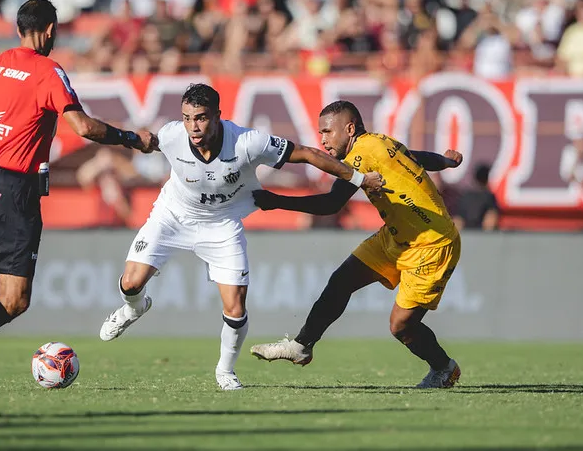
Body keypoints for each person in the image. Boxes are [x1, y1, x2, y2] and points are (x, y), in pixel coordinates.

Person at [0, 0, 157, 391]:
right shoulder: (48, 72)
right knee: (16, 299)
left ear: (19, 29)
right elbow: (83, 128)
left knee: (4, 285)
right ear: (51, 30)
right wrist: (130, 139)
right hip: (17, 188)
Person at [97, 84, 385, 391]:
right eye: (187, 118)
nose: (193, 126)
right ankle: (134, 308)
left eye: (201, 118)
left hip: (222, 225)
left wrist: (358, 178)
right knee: (130, 282)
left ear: (218, 116)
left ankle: (225, 371)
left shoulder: (249, 142)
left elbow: (307, 154)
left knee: (235, 307)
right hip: (172, 217)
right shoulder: (172, 136)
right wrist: (126, 136)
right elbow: (145, 139)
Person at [249, 101, 465, 389]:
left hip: (431, 244)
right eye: (319, 133)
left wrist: (277, 201)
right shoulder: (379, 142)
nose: (322, 140)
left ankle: (444, 368)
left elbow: (331, 204)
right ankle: (302, 346)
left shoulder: (361, 154)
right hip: (397, 235)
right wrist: (445, 161)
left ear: (349, 129)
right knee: (342, 281)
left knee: (401, 326)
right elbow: (415, 157)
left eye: (327, 131)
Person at [454, 164, 499, 231]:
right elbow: (491, 220)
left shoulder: (465, 196)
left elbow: (457, 219)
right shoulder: (489, 197)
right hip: (482, 236)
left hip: (465, 235)